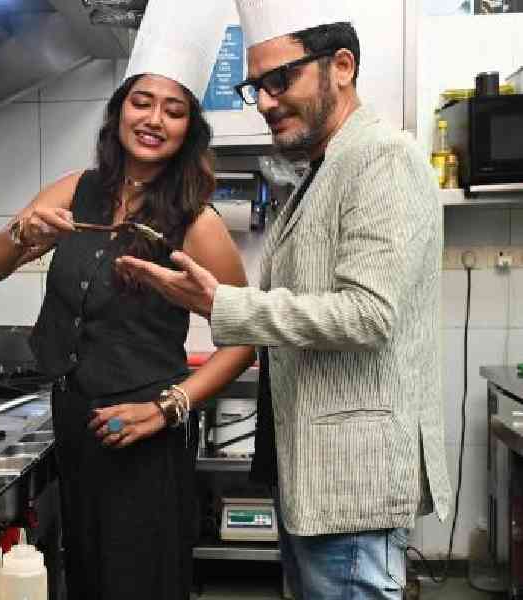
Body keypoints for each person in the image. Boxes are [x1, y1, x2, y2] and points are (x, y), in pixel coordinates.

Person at [116, 2, 452, 599]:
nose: (266, 102)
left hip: (353, 483)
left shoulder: (382, 157)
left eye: (280, 80)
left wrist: (222, 305)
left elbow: (368, 315)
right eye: (257, 87)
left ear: (341, 66)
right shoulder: (322, 170)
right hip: (317, 477)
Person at [0, 1, 255, 598]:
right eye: (142, 102)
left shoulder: (197, 222)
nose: (154, 119)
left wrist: (169, 407)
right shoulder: (76, 191)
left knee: (138, 583)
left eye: (173, 110)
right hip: (75, 428)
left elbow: (245, 337)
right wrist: (21, 235)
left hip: (144, 435)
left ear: (189, 129)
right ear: (120, 109)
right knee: (91, 581)